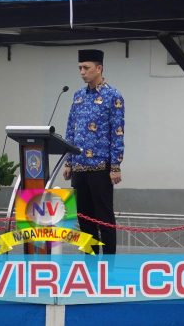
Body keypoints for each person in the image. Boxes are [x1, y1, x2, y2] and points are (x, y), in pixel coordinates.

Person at [62, 49, 125, 255]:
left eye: (86, 68)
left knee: (104, 218)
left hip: (101, 167)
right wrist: (68, 162)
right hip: (79, 167)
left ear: (99, 68)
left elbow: (117, 132)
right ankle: (90, 264)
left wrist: (115, 166)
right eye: (80, 68)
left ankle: (109, 265)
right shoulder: (78, 96)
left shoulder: (113, 96)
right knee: (84, 219)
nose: (82, 72)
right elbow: (71, 129)